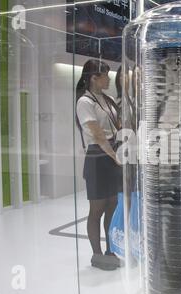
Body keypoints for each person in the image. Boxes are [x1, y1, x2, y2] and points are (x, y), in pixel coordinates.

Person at [76, 59, 122, 271]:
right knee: (97, 209)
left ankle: (111, 249)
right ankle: (96, 254)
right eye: (105, 75)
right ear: (94, 78)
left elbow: (118, 127)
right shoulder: (85, 102)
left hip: (112, 155)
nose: (109, 78)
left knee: (112, 205)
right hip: (98, 157)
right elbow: (97, 134)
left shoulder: (109, 99)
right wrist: (115, 156)